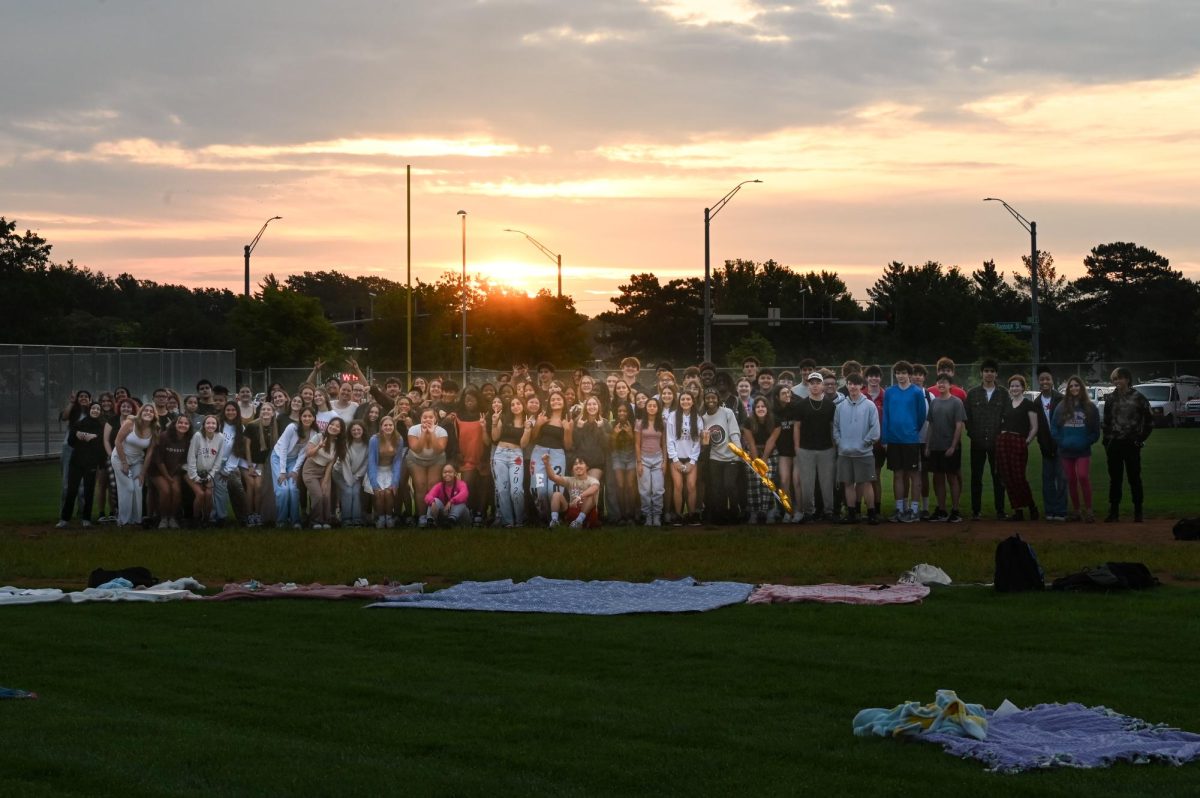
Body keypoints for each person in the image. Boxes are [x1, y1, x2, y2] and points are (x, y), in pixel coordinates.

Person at [1101, 366, 1153, 522]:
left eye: (1120, 378)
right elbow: (1107, 422)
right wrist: (1106, 442)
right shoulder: (1110, 398)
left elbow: (1149, 422)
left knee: (1134, 478)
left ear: (1127, 379)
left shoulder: (1139, 398)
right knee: (1115, 479)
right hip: (1114, 444)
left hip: (1132, 444)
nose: (1117, 381)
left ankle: (1138, 511)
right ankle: (1114, 511)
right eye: (1115, 379)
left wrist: (1140, 439)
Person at [1052, 376, 1102, 523]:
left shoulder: (1090, 407)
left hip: (1082, 450)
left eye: (1077, 385)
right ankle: (1076, 511)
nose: (1074, 388)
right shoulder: (1061, 406)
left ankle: (1089, 511)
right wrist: (1061, 442)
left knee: (1083, 476)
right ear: (1068, 389)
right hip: (1066, 450)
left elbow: (1095, 431)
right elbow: (1054, 427)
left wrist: (1086, 442)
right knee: (1071, 480)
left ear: (1081, 387)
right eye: (1071, 386)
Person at [832, 373, 881, 525]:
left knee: (866, 483)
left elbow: (875, 430)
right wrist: (841, 443)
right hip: (845, 453)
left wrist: (863, 444)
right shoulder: (840, 407)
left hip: (864, 453)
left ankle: (871, 513)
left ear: (861, 386)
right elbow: (836, 429)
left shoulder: (869, 406)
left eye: (856, 384)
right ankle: (852, 514)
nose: (853, 387)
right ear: (847, 385)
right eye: (850, 384)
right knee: (848, 483)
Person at [881, 361, 926, 523]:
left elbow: (921, 416)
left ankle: (914, 510)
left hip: (910, 440)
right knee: (898, 475)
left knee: (914, 475)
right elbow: (886, 416)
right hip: (893, 440)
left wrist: (912, 430)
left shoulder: (916, 392)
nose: (900, 376)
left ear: (909, 374)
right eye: (898, 373)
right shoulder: (889, 392)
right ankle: (900, 509)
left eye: (903, 372)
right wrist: (885, 438)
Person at [965, 359, 1007, 520]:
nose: (989, 373)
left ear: (996, 374)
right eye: (986, 371)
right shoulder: (973, 393)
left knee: (998, 477)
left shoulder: (1003, 393)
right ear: (981, 373)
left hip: (997, 443)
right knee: (976, 477)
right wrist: (972, 434)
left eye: (992, 371)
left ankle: (1000, 510)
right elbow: (966, 417)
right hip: (977, 442)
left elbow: (1007, 415)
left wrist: (1001, 434)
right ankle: (976, 511)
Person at [793, 372, 837, 523]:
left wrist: (834, 447)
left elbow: (832, 428)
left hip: (826, 449)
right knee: (807, 484)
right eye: (812, 382)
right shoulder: (801, 405)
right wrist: (797, 447)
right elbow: (797, 427)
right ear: (809, 385)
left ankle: (828, 511)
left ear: (822, 385)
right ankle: (808, 512)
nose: (815, 385)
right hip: (806, 449)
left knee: (827, 483)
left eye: (818, 382)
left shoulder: (830, 405)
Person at [996, 375, 1040, 522]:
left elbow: (1034, 427)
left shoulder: (1028, 404)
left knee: (1019, 477)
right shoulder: (1007, 404)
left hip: (1018, 441)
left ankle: (1032, 506)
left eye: (1017, 386)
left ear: (1023, 387)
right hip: (1004, 441)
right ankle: (1017, 510)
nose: (1014, 388)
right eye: (1012, 386)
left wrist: (1027, 441)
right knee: (1007, 478)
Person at [924, 374, 966, 523]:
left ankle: (955, 510)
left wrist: (953, 446)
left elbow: (959, 426)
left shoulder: (956, 402)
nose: (941, 385)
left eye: (944, 382)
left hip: (950, 447)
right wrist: (928, 446)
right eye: (939, 382)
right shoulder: (934, 403)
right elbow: (931, 425)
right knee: (938, 479)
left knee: (952, 478)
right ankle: (941, 510)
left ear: (950, 385)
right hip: (936, 447)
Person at [58, 401, 106, 528]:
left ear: (100, 412)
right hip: (76, 461)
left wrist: (84, 436)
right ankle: (64, 519)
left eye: (98, 409)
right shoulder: (79, 424)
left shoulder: (102, 426)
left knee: (88, 491)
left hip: (91, 463)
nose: (95, 410)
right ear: (89, 410)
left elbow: (100, 445)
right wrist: (85, 436)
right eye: (93, 408)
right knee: (71, 490)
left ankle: (86, 519)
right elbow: (71, 441)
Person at [111, 403, 157, 527]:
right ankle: (123, 520)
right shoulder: (130, 423)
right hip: (120, 458)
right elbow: (117, 442)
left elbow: (149, 453)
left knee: (138, 487)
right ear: (140, 413)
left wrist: (142, 473)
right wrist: (124, 463)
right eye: (145, 410)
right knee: (128, 488)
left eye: (151, 411)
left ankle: (136, 520)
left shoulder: (154, 429)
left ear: (154, 415)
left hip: (137, 460)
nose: (148, 412)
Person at [701, 389, 743, 524]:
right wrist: (705, 441)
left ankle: (736, 511)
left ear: (718, 399)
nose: (711, 400)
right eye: (708, 398)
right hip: (715, 457)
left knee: (729, 485)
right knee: (717, 488)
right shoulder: (704, 418)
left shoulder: (727, 413)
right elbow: (705, 442)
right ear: (704, 400)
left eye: (713, 398)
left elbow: (734, 433)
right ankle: (721, 515)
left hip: (731, 456)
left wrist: (739, 451)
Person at [272, 407, 318, 529]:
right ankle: (281, 520)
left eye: (310, 416)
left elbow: (303, 454)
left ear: (314, 418)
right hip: (278, 457)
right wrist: (282, 471)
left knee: (293, 489)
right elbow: (283, 449)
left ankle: (295, 520)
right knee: (282, 490)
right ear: (300, 417)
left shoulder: (313, 433)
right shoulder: (292, 428)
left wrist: (295, 470)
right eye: (304, 416)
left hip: (293, 461)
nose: (307, 418)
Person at [491, 396, 531, 527]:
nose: (515, 406)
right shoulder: (504, 418)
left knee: (517, 490)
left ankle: (519, 521)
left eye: (518, 403)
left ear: (523, 405)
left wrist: (527, 429)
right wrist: (495, 422)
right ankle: (508, 522)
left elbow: (524, 444)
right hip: (500, 455)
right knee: (502, 490)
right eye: (512, 404)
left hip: (516, 457)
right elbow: (495, 437)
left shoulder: (527, 421)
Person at [666, 390, 704, 525]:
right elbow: (670, 439)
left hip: (690, 458)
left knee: (691, 486)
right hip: (676, 457)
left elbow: (697, 442)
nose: (685, 401)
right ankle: (678, 515)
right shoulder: (672, 416)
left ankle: (692, 514)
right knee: (678, 486)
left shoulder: (697, 418)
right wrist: (675, 460)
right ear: (679, 401)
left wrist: (692, 461)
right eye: (683, 399)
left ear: (693, 401)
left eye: (688, 399)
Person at [1034, 368, 1067, 521]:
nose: (1045, 382)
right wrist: (1043, 444)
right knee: (1047, 479)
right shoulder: (1036, 402)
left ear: (1052, 381)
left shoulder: (1061, 399)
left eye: (1047, 379)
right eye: (1042, 379)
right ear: (1039, 382)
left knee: (1061, 478)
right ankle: (1050, 510)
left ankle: (1061, 511)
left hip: (1060, 445)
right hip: (1045, 446)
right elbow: (1037, 427)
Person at [741, 396, 780, 524]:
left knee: (766, 480)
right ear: (754, 409)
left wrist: (763, 461)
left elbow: (771, 441)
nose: (760, 409)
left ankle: (767, 511)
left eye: (763, 406)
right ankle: (754, 511)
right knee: (754, 481)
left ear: (767, 408)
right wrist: (756, 461)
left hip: (770, 452)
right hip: (753, 452)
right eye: (758, 407)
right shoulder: (748, 422)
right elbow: (750, 443)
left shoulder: (775, 421)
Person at [530, 391, 568, 522]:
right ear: (549, 403)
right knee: (539, 489)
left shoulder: (567, 420)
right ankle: (543, 518)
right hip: (539, 453)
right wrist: (539, 424)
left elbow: (568, 445)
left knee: (554, 490)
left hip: (557, 455)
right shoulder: (543, 417)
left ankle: (555, 517)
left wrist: (567, 430)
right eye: (553, 399)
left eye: (559, 399)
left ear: (564, 402)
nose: (556, 401)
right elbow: (533, 438)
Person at [149, 414, 192, 528]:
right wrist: (167, 476)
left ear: (189, 426)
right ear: (175, 424)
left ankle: (172, 518)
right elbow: (158, 460)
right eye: (180, 422)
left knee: (176, 491)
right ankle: (163, 518)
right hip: (157, 470)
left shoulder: (188, 440)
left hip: (175, 471)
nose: (183, 425)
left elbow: (183, 460)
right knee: (166, 491)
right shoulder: (164, 436)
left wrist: (173, 474)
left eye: (186, 423)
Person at [408, 408, 449, 525]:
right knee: (420, 485)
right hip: (416, 459)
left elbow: (438, 450)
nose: (428, 419)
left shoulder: (441, 431)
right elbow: (416, 448)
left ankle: (431, 515)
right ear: (421, 419)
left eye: (431, 417)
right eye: (425, 417)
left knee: (432, 485)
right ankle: (421, 516)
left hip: (436, 459)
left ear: (435, 419)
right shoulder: (413, 429)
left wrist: (431, 434)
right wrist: (423, 434)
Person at [241, 402, 280, 527]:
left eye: (269, 409)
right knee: (251, 486)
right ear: (260, 412)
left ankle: (257, 515)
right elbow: (246, 447)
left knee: (258, 486)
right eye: (263, 409)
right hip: (248, 461)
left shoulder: (275, 426)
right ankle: (249, 515)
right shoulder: (252, 426)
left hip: (264, 463)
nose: (266, 411)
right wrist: (250, 465)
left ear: (273, 413)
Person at [303, 417, 345, 529]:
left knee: (326, 495)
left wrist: (326, 480)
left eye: (337, 426)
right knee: (318, 495)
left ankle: (325, 520)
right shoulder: (318, 437)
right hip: (310, 470)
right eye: (332, 424)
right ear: (328, 425)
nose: (334, 427)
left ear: (340, 430)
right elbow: (308, 454)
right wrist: (319, 446)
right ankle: (315, 521)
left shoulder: (337, 444)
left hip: (324, 471)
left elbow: (331, 463)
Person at [544, 454, 601, 529]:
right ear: (572, 468)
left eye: (581, 463)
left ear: (587, 467)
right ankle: (554, 521)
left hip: (588, 513)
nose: (578, 466)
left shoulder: (592, 480)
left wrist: (580, 497)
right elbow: (553, 477)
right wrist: (547, 464)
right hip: (572, 511)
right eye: (575, 464)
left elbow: (595, 487)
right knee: (556, 495)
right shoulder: (570, 480)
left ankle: (579, 522)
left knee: (591, 496)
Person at [367, 415, 405, 528]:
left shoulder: (399, 439)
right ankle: (380, 517)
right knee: (379, 493)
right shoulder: (374, 439)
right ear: (381, 427)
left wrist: (395, 481)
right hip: (376, 470)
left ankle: (389, 517)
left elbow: (398, 462)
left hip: (390, 470)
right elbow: (372, 461)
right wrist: (373, 482)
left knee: (389, 492)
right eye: (385, 425)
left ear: (394, 426)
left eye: (390, 425)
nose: (388, 427)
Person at [635, 396, 666, 526]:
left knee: (658, 489)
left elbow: (664, 443)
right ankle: (647, 515)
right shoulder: (639, 423)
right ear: (646, 408)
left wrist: (665, 462)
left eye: (654, 406)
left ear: (658, 408)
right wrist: (639, 462)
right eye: (649, 406)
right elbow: (636, 444)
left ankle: (657, 516)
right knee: (645, 490)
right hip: (644, 458)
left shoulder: (662, 423)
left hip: (658, 458)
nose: (652, 408)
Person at [186, 415, 222, 525]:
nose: (211, 425)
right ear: (204, 425)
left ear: (217, 425)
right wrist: (195, 476)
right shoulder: (197, 436)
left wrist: (210, 475)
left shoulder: (220, 437)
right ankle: (196, 519)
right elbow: (191, 457)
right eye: (208, 423)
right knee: (201, 494)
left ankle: (206, 519)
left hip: (208, 473)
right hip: (193, 471)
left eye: (213, 423)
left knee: (208, 494)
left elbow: (218, 459)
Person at [608, 402, 639, 525]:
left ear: (629, 413)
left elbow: (637, 444)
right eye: (620, 411)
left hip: (631, 455)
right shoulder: (612, 424)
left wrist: (631, 434)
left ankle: (631, 514)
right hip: (617, 455)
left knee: (630, 485)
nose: (622, 413)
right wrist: (615, 435)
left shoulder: (634, 424)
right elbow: (611, 447)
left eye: (624, 411)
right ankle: (621, 515)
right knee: (620, 485)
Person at [337, 420, 370, 527]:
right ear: (350, 432)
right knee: (348, 491)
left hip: (356, 475)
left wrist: (356, 476)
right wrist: (349, 481)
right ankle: (346, 519)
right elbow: (345, 465)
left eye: (358, 429)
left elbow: (366, 463)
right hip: (340, 473)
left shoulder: (367, 444)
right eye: (353, 430)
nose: (356, 431)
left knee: (355, 491)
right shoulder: (346, 444)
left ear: (363, 431)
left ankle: (356, 519)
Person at [773, 385, 798, 523]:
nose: (787, 395)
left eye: (789, 392)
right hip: (783, 451)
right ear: (777, 396)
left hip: (797, 451)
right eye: (784, 393)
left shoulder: (796, 409)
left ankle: (800, 510)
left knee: (797, 482)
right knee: (784, 481)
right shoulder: (774, 412)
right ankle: (788, 511)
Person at [424, 463, 471, 527]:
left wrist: (451, 501)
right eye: (445, 472)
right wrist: (432, 502)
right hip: (445, 513)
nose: (447, 474)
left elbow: (464, 494)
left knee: (461, 504)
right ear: (442, 474)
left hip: (461, 517)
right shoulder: (439, 486)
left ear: (455, 473)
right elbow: (428, 496)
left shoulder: (461, 484)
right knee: (434, 500)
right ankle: (430, 521)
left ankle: (451, 521)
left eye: (450, 472)